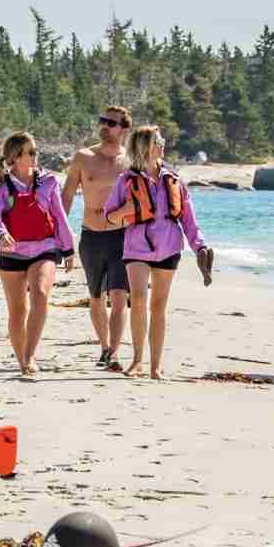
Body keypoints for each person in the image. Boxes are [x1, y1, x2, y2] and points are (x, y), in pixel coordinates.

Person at [102, 124, 208, 380]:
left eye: (162, 141)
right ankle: (137, 360)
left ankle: (155, 366)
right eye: (158, 142)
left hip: (169, 248)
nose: (162, 145)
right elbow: (109, 217)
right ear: (145, 147)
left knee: (159, 306)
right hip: (137, 248)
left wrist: (200, 246)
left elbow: (188, 220)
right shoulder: (125, 180)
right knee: (138, 300)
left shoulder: (173, 179)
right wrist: (127, 208)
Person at [0, 131, 75, 380]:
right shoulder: (0, 185)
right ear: (15, 157)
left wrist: (68, 247)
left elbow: (59, 216)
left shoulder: (48, 181)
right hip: (11, 252)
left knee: (41, 295)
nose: (37, 156)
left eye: (36, 151)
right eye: (31, 152)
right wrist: (1, 235)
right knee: (17, 310)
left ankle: (30, 355)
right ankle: (21, 359)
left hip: (45, 248)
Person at [61, 106, 134, 371]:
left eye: (111, 123)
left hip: (122, 236)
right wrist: (59, 231)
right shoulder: (83, 157)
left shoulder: (131, 161)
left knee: (118, 295)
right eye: (102, 121)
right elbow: (67, 195)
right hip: (90, 235)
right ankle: (104, 346)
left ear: (123, 129)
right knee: (95, 295)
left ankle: (114, 353)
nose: (104, 126)